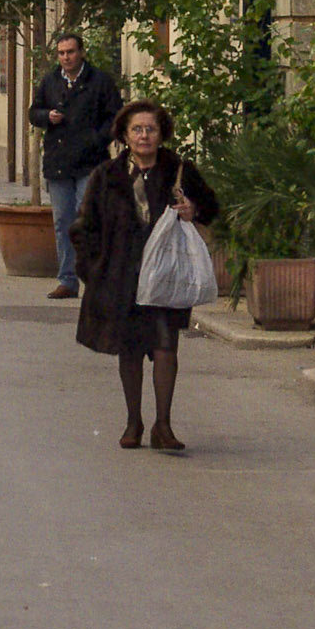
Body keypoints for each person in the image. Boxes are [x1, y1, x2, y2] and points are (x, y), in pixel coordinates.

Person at [72, 99, 218, 453]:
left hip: (166, 278)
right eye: (136, 129)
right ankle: (133, 421)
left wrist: (192, 210)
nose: (144, 136)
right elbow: (84, 227)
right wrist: (94, 270)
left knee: (166, 346)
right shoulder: (106, 176)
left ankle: (163, 425)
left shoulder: (179, 170)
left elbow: (212, 208)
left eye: (150, 129)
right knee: (130, 349)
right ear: (124, 134)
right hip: (122, 277)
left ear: (161, 133)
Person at [29, 31, 122, 301]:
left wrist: (96, 138)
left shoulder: (100, 81)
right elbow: (33, 112)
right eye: (61, 53)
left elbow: (116, 117)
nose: (66, 57)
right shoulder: (51, 81)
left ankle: (94, 278)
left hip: (90, 162)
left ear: (81, 52)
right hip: (59, 163)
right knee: (63, 222)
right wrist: (48, 116)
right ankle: (67, 281)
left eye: (70, 52)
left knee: (89, 219)